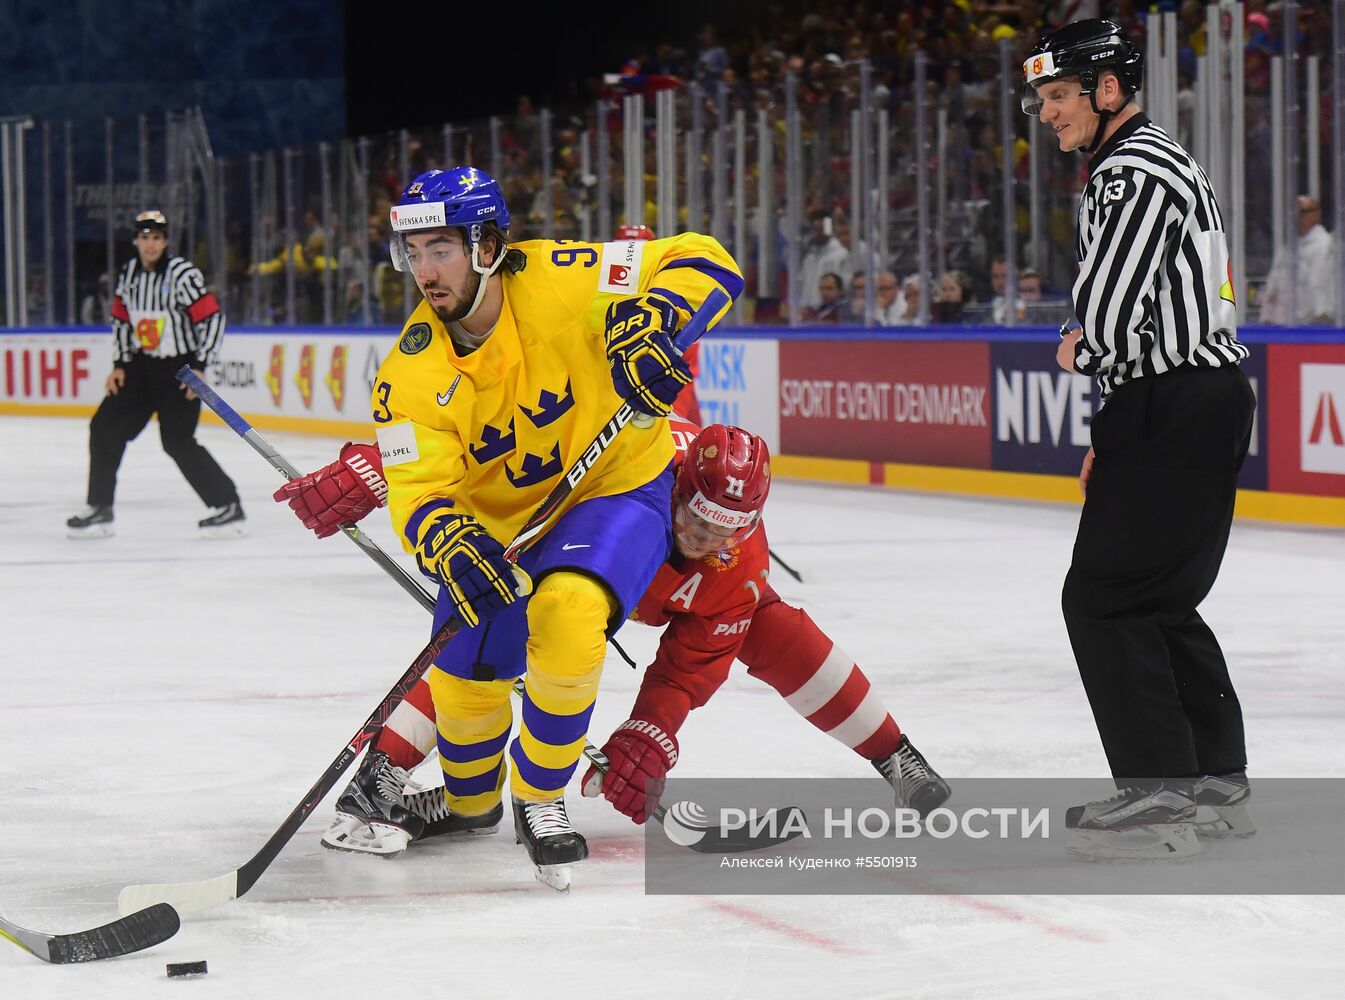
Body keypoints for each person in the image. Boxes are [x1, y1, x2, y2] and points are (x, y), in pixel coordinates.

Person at [291, 166, 739, 889]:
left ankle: (541, 798)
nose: (424, 271)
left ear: (489, 243)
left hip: (614, 485)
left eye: (440, 249)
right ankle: (470, 805)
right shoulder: (407, 373)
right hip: (497, 524)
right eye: (413, 253)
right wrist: (447, 537)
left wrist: (647, 318)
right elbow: (417, 484)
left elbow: (705, 258)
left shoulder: (567, 274)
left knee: (568, 610)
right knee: (466, 673)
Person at [274, 418, 949, 853]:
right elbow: (494, 436)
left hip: (660, 593)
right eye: (699, 515)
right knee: (492, 625)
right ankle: (390, 765)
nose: (708, 536)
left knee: (772, 627)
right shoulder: (623, 455)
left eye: (729, 526)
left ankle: (895, 754)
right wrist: (377, 462)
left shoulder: (732, 561)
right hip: (583, 543)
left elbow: (690, 665)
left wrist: (648, 733)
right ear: (677, 483)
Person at [1024, 19, 1257, 861]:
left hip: (1171, 403)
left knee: (1103, 599)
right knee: (1156, 597)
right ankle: (1212, 780)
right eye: (1044, 98)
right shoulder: (1160, 158)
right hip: (1190, 401)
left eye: (1058, 95)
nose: (1047, 113)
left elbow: (1112, 322)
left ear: (1108, 89)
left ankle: (1161, 790)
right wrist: (1114, 421)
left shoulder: (1126, 172)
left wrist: (1075, 345)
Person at [66, 210, 245, 539]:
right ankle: (100, 508)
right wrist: (119, 364)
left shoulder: (182, 274)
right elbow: (121, 319)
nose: (151, 244)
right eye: (145, 238)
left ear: (165, 242)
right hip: (140, 366)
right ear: (136, 240)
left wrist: (201, 366)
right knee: (105, 427)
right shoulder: (129, 272)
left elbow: (213, 318)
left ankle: (228, 505)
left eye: (157, 238)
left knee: (177, 440)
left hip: (180, 369)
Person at [614, 223, 703, 427]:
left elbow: (681, 383)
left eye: (641, 254)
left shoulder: (673, 305)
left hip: (665, 415)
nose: (633, 264)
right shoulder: (600, 304)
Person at [1260, 195, 1336, 325]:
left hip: (1314, 323)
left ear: (1317, 214)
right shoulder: (1287, 248)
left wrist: (1321, 314)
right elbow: (1273, 283)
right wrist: (1267, 314)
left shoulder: (1326, 245)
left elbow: (1320, 284)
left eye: (1303, 212)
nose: (1299, 217)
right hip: (1283, 323)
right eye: (1295, 213)